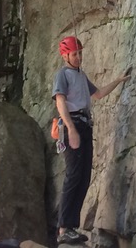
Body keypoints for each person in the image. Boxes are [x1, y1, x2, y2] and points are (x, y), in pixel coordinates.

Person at [52, 35, 130, 245]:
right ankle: (63, 228)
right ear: (65, 55)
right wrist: (71, 129)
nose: (78, 57)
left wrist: (119, 80)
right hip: (73, 125)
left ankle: (71, 227)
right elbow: (60, 103)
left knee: (84, 176)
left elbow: (99, 94)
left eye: (80, 53)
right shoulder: (63, 75)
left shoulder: (81, 75)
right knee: (73, 175)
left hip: (85, 125)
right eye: (74, 54)